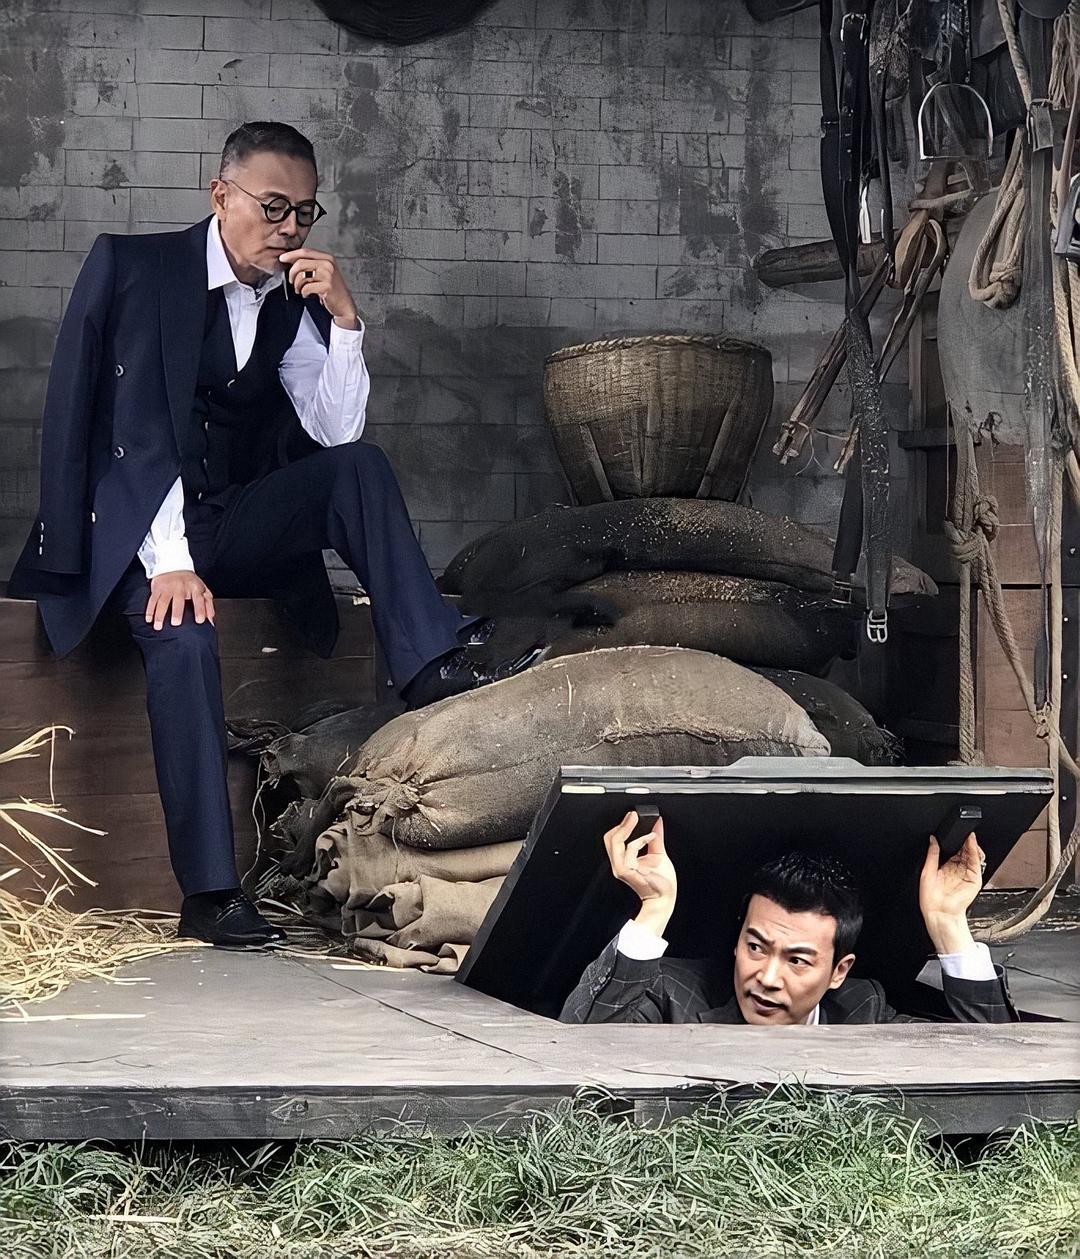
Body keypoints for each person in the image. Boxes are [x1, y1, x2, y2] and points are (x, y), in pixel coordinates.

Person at [7, 121, 538, 949]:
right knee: (184, 635)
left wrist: (345, 318)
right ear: (222, 195)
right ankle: (210, 892)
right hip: (137, 539)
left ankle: (429, 662)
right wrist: (171, 562)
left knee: (358, 467)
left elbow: (333, 434)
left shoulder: (291, 298)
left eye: (306, 212)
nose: (289, 228)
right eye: (274, 206)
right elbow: (130, 432)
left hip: (230, 524)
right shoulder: (138, 267)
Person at [560, 811, 1017, 1024]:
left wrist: (948, 923)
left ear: (839, 971)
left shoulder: (863, 1011)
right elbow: (583, 1045)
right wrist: (655, 908)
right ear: (736, 941)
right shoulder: (672, 996)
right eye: (755, 947)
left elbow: (999, 1072)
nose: (767, 978)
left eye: (797, 960)